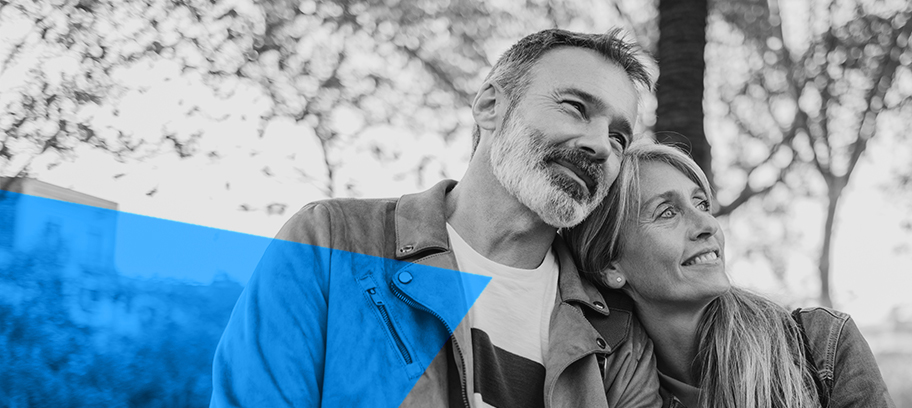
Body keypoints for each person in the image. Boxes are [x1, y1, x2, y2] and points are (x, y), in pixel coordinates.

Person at [210, 29, 663, 408]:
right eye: (575, 108)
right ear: (490, 106)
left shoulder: (619, 340)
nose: (601, 146)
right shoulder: (330, 241)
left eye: (619, 137)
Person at [565, 138, 895, 408]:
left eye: (702, 204)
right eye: (667, 212)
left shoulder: (823, 344)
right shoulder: (602, 382)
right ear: (611, 266)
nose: (707, 225)